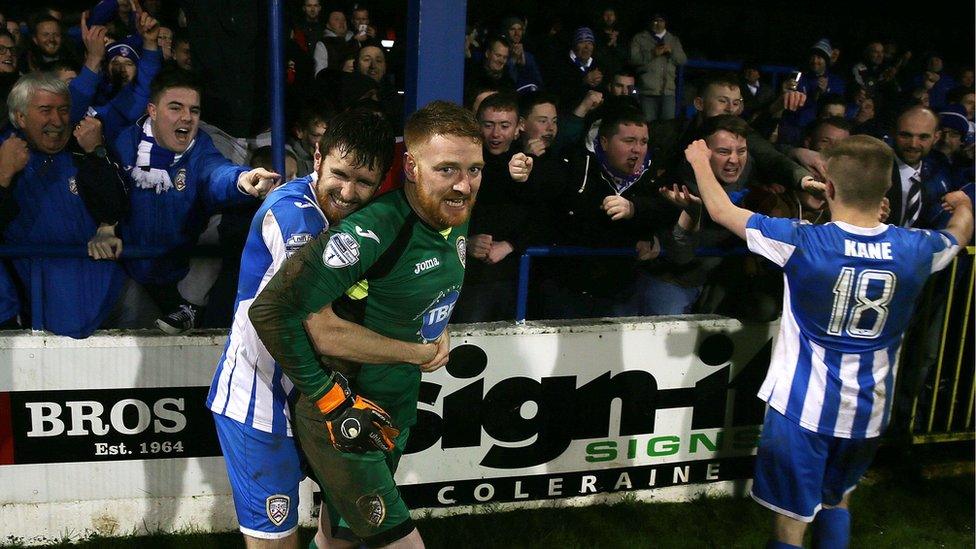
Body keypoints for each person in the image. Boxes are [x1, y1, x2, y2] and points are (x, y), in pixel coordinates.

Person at [683, 134, 972, 549]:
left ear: (830, 187)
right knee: (837, 501)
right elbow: (958, 234)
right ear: (886, 189)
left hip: (803, 409)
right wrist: (963, 205)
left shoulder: (803, 241)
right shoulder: (916, 247)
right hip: (868, 410)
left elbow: (720, 209)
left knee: (791, 523)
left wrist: (698, 161)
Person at [250, 100, 480, 547]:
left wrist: (439, 329)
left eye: (474, 170)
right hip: (347, 415)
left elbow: (429, 286)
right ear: (411, 167)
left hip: (393, 410)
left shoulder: (454, 214)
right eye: (447, 169)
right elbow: (273, 311)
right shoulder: (372, 231)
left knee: (339, 539)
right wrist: (330, 396)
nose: (464, 184)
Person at [208, 108, 395, 548]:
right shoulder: (296, 219)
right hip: (261, 400)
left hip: (318, 397)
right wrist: (415, 352)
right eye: (340, 174)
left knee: (346, 529)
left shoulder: (367, 221)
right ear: (317, 157)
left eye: (364, 182)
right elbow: (313, 326)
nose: (348, 193)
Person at [112, 67, 279, 331]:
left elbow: (216, 173)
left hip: (179, 279)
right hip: (130, 275)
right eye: (176, 108)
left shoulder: (200, 147)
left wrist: (241, 180)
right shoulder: (126, 145)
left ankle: (189, 308)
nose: (187, 118)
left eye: (194, 110)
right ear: (152, 111)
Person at [629, 13, 686, 122]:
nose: (658, 24)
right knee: (648, 125)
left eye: (661, 21)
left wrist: (671, 52)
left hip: (668, 92)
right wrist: (652, 53)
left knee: (668, 126)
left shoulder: (673, 40)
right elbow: (633, 59)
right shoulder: (640, 38)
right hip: (647, 92)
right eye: (655, 21)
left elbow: (682, 60)